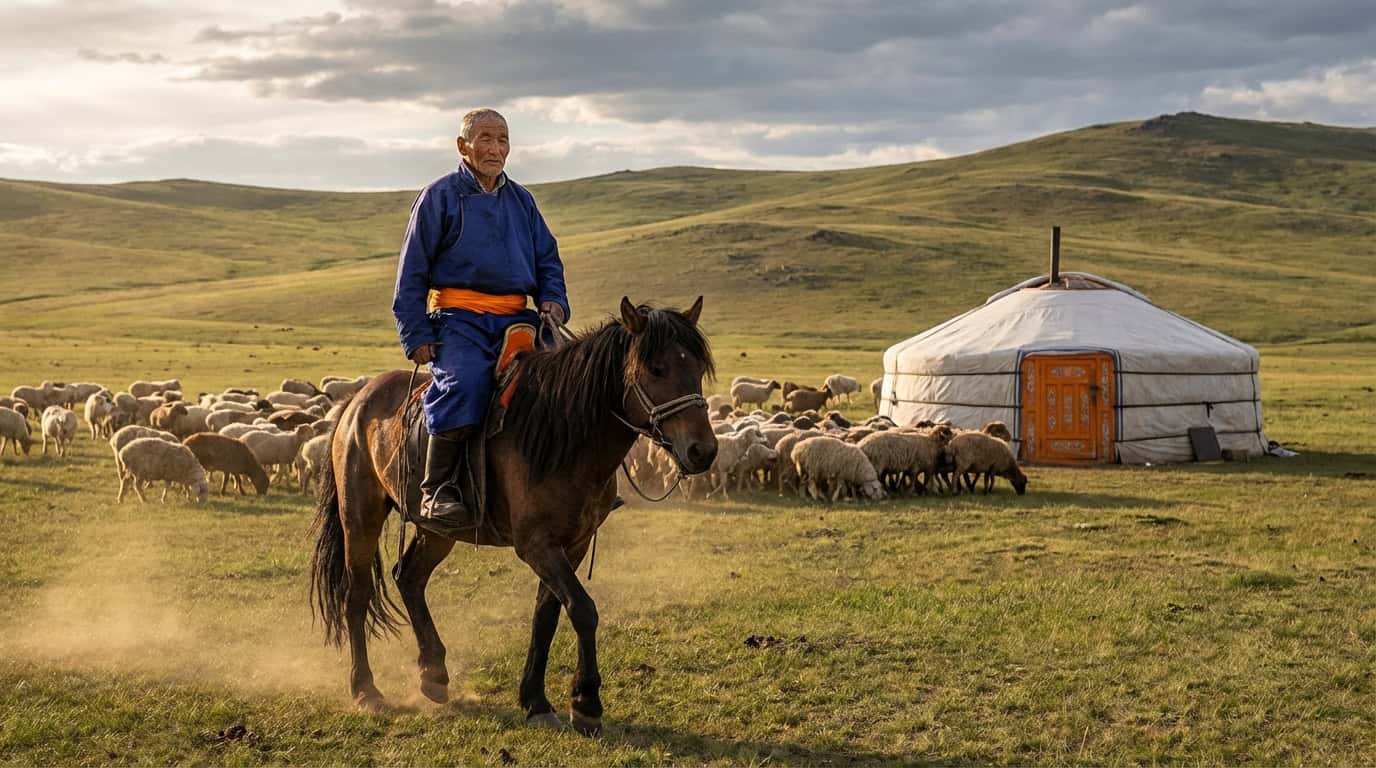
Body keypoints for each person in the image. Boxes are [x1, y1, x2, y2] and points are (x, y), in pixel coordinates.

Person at [392, 108, 569, 537]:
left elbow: (548, 258)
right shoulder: (439, 196)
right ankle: (439, 488)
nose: (495, 149)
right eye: (485, 139)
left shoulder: (522, 201)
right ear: (463, 146)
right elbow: (412, 268)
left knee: (568, 383)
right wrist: (415, 332)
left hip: (518, 319)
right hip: (459, 318)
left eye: (503, 140)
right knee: (466, 381)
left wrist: (553, 301)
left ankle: (568, 484)